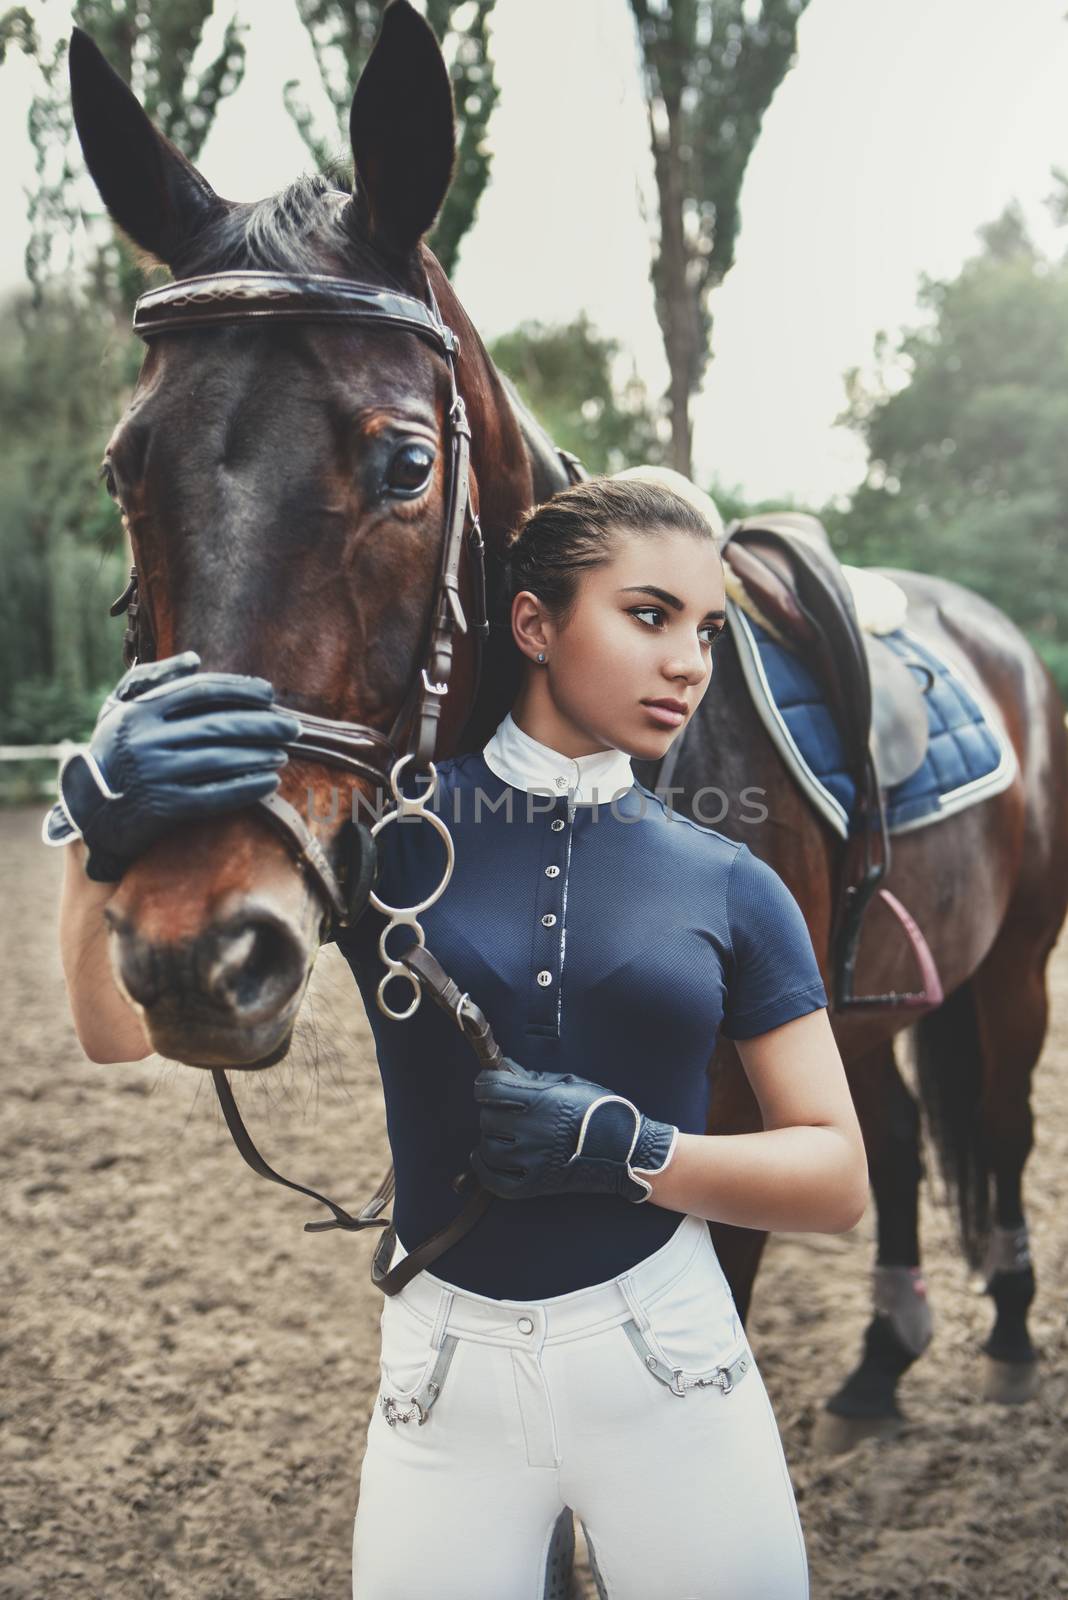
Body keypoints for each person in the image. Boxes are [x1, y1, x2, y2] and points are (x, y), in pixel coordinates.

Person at [336, 475, 868, 1599]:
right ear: (534, 624)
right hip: (442, 1386)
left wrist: (634, 1149)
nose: (689, 661)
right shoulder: (388, 844)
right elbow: (105, 1026)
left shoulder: (735, 883)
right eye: (649, 614)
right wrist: (108, 827)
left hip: (670, 1365)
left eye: (707, 629)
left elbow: (835, 1178)